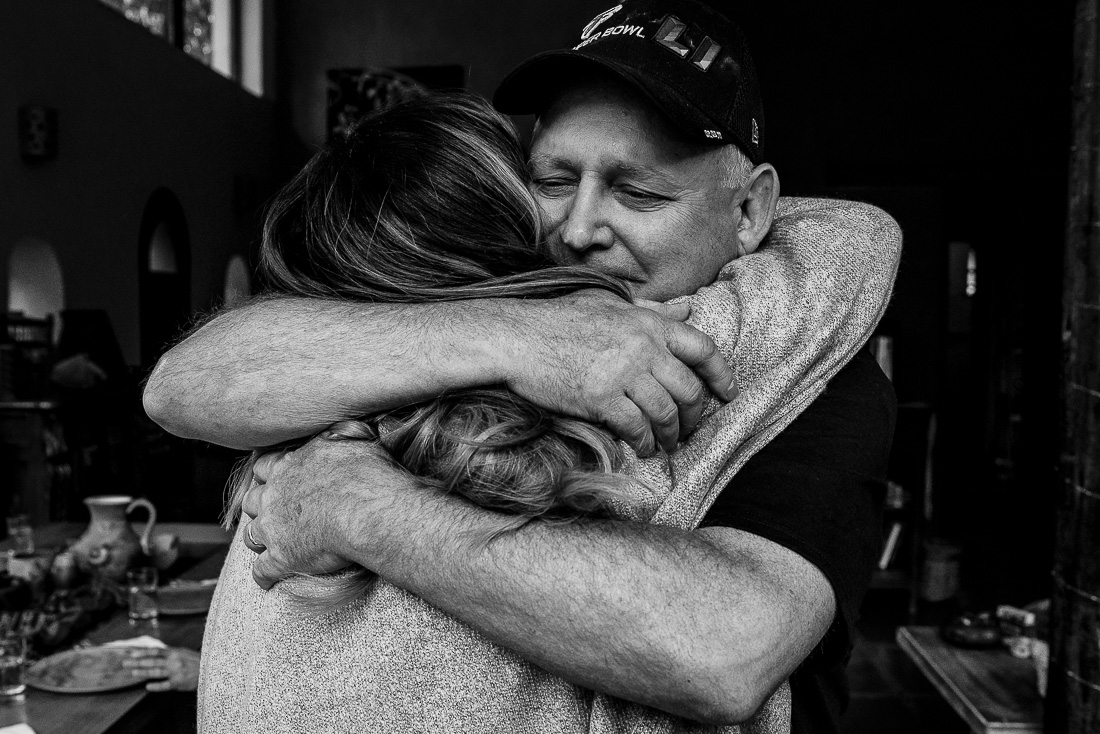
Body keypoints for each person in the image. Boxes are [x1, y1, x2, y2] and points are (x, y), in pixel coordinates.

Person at [144, 1, 899, 731]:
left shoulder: (817, 378)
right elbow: (180, 385)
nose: (576, 230)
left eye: (638, 192)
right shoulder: (465, 317)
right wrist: (522, 337)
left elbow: (723, 653)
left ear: (748, 213)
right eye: (553, 181)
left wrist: (356, 504)